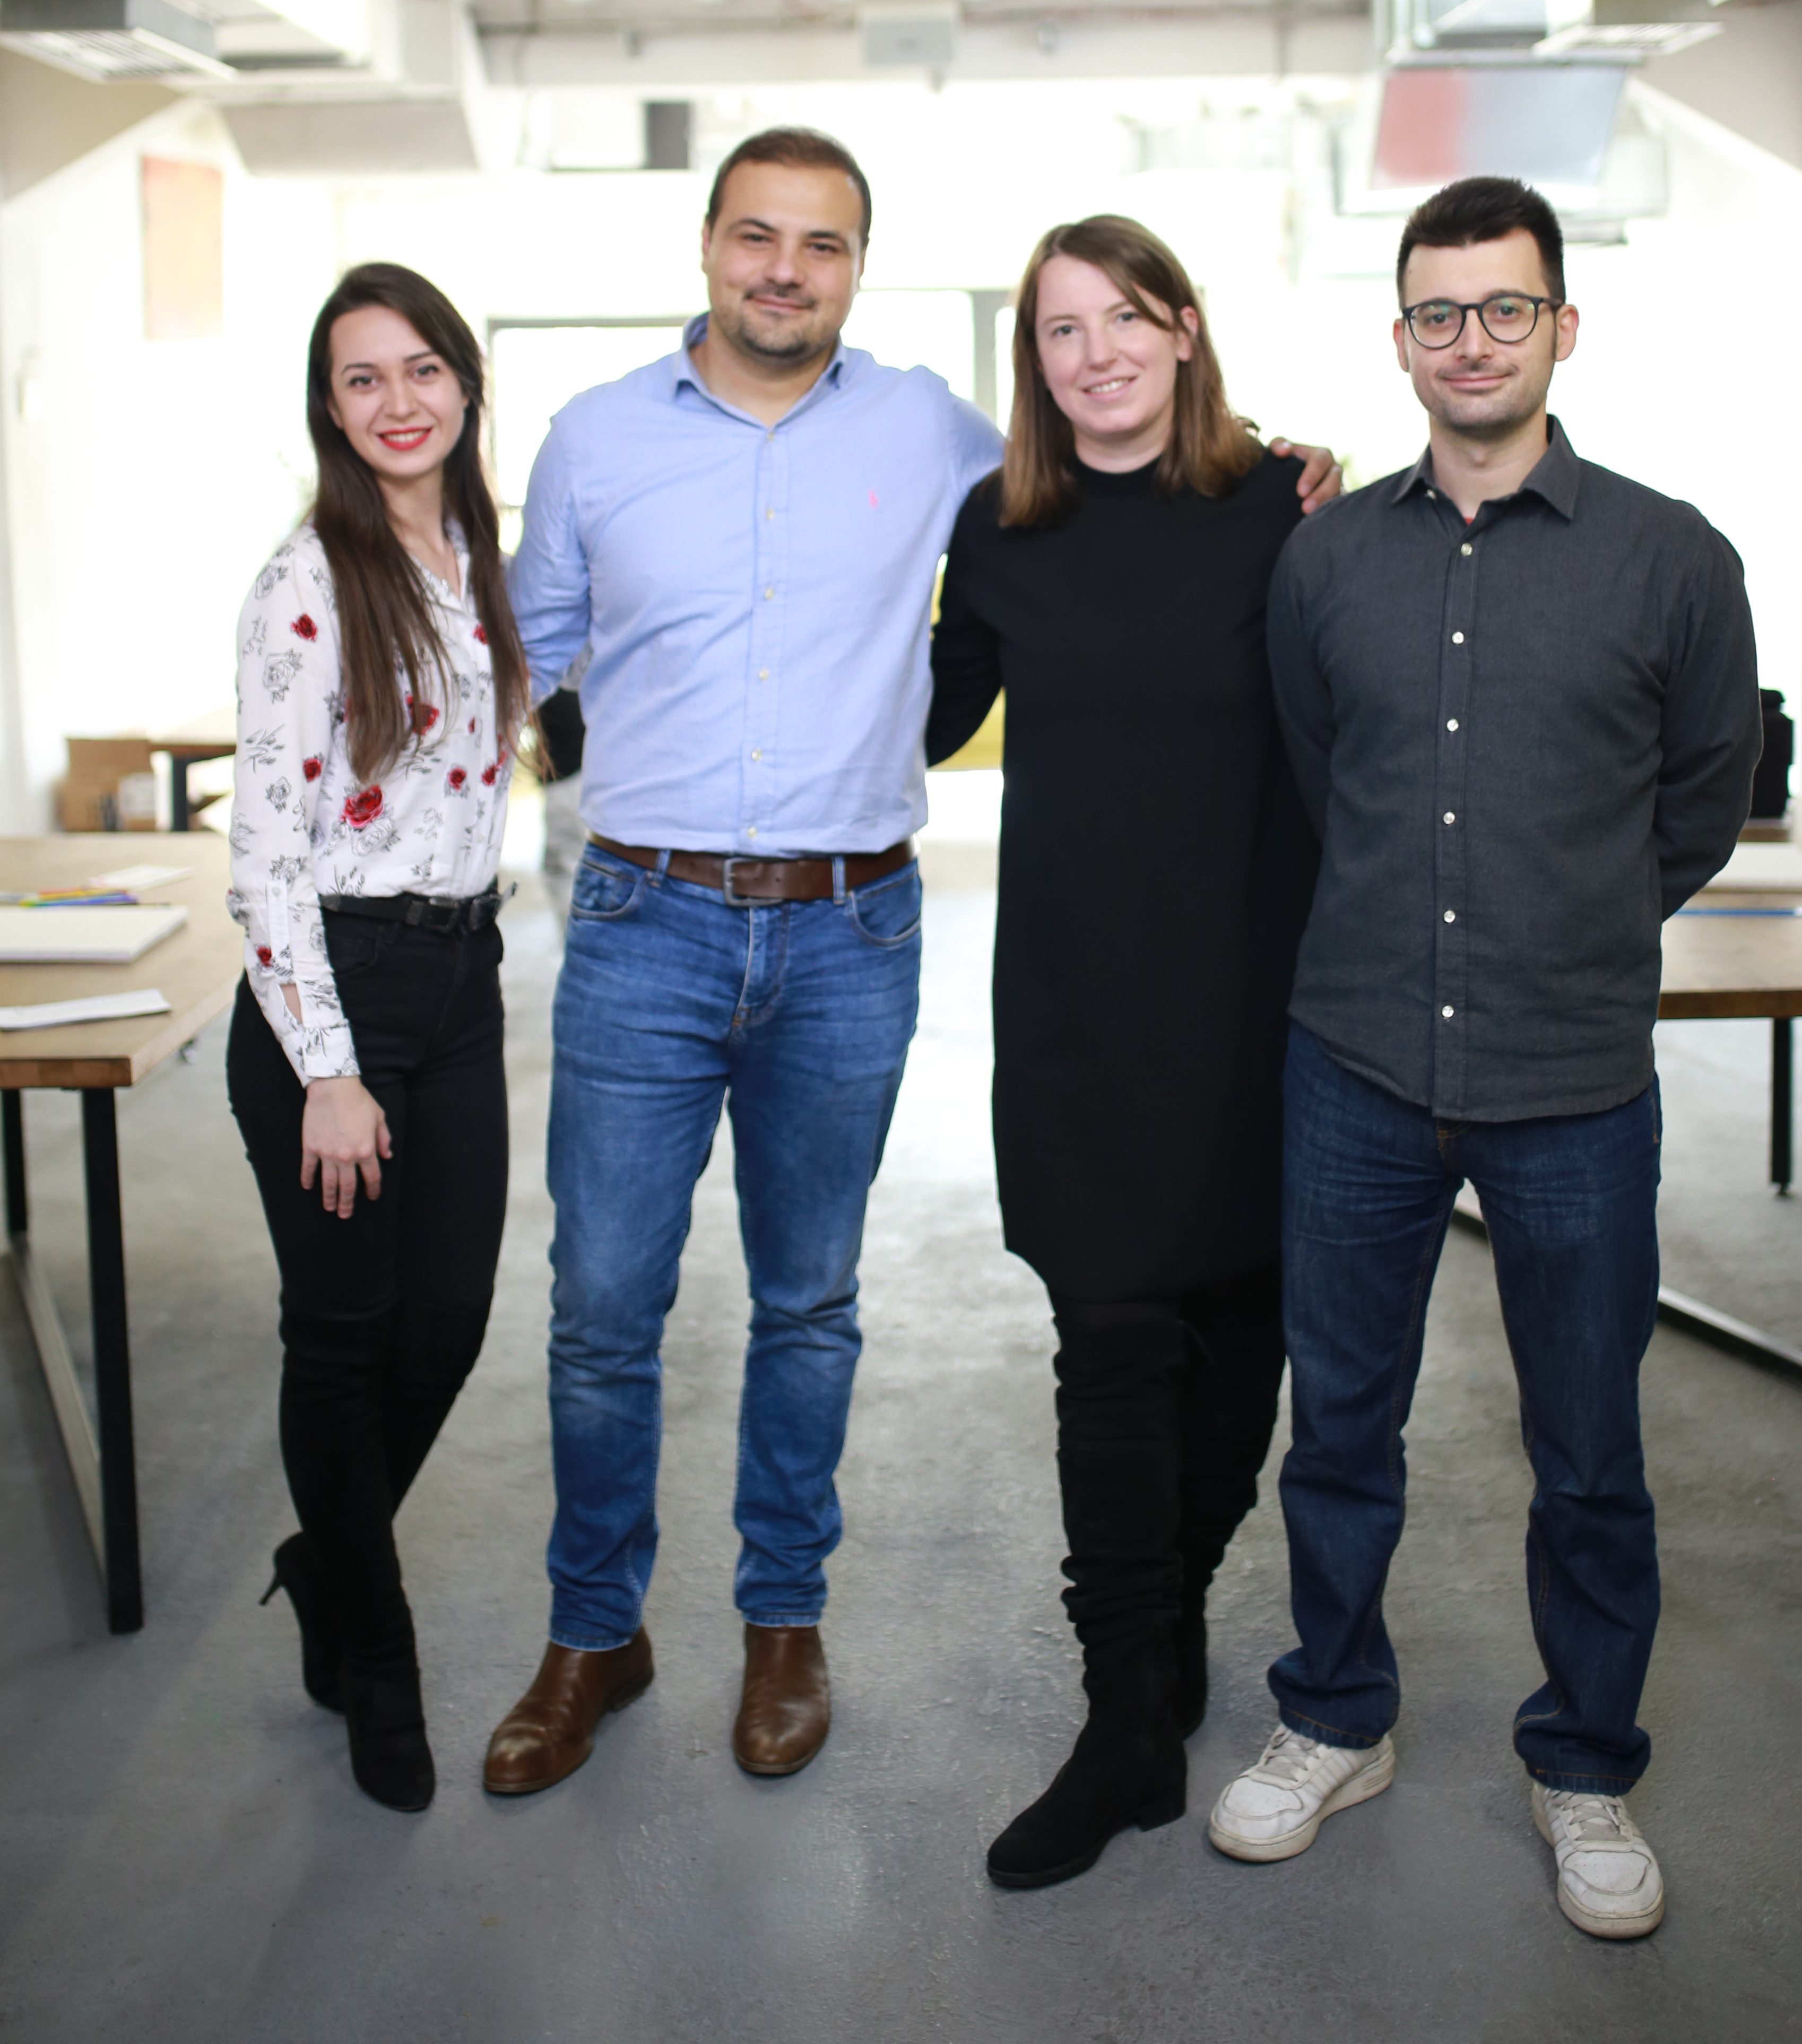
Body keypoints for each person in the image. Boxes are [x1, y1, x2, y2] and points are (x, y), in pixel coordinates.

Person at [485, 125, 1342, 1800]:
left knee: (809, 1302)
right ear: (709, 246)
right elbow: (518, 665)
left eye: (822, 243)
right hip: (647, 920)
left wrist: (1291, 461)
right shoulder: (594, 439)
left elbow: (1126, 474)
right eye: (758, 236)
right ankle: (593, 1633)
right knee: (601, 1307)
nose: (785, 269)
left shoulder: (937, 436)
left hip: (848, 927)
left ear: (859, 269)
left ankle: (782, 1625)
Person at [1211, 174, 1761, 1942]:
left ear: (1562, 328)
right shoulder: (1327, 561)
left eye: (1504, 309)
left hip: (1574, 1080)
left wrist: (1577, 925)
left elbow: (1699, 805)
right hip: (1356, 1061)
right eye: (1439, 313)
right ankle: (1335, 1716)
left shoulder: (1674, 559)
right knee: (1338, 1425)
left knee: (1588, 1447)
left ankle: (1584, 1759)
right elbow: (1324, 774)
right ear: (1401, 340)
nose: (1472, 341)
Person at [926, 217, 1321, 1891]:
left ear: (1183, 330)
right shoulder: (1002, 525)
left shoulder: (1287, 512)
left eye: (1123, 319)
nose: (1094, 354)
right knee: (1109, 1353)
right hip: (1079, 1012)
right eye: (1060, 329)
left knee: (1241, 1354)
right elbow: (918, 717)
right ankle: (1122, 1730)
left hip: (1259, 1004)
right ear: (1034, 360)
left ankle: (1167, 1626)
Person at [228, 263, 527, 1814]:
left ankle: (323, 1555)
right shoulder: (305, 581)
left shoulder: (480, 557)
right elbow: (265, 852)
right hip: (330, 992)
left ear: (463, 383)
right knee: (343, 1334)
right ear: (330, 410)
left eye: (422, 369)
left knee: (452, 1316)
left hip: (462, 979)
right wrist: (327, 1073)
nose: (399, 401)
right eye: (364, 378)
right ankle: (378, 1656)